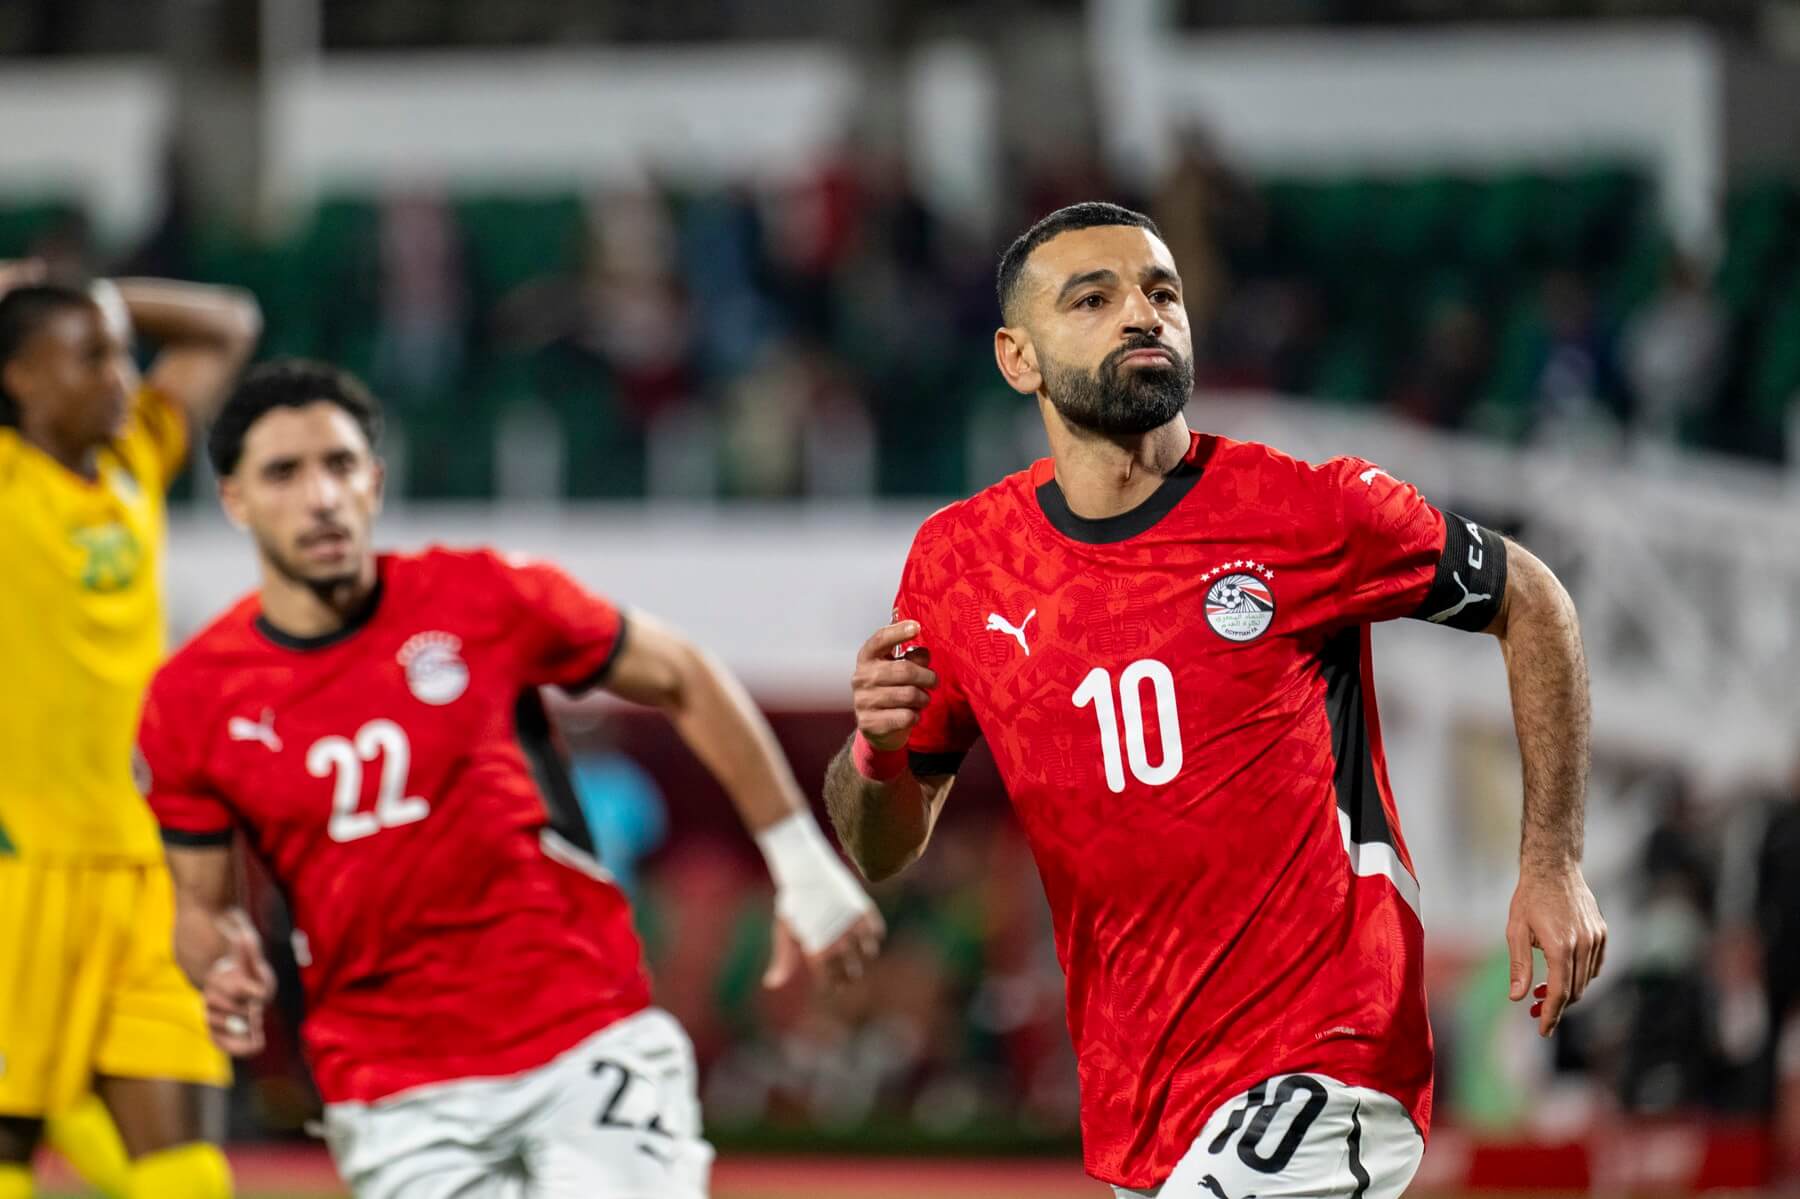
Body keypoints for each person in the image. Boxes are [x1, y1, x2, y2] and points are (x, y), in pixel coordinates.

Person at [823, 203, 1607, 1199]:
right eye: (1093, 299)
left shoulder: (1307, 509)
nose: (1141, 314)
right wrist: (878, 750)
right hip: (1144, 1097)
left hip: (1328, 1054)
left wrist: (1553, 862)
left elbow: (1533, 600)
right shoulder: (960, 564)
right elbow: (881, 845)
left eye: (1162, 292)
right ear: (1018, 359)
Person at [136, 359, 883, 1199]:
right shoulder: (191, 698)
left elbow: (684, 674)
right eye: (284, 472)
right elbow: (201, 908)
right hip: (390, 1087)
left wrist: (800, 859)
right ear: (234, 499)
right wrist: (217, 963)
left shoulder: (483, 594)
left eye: (339, 465)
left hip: (582, 1036)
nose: (321, 496)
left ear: (374, 480)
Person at [0, 264, 262, 1199]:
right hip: (22, 869)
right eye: (90, 356)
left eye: (122, 353)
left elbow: (229, 320)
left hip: (145, 870)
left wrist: (77, 290)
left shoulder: (135, 457)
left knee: (185, 1172)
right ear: (20, 376)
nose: (121, 376)